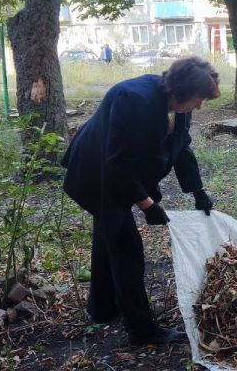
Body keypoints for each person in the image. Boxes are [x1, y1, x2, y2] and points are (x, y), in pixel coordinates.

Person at [62, 57, 219, 345]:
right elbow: (117, 165)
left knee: (107, 235)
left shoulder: (178, 106)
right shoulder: (135, 100)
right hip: (97, 171)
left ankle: (102, 308)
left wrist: (197, 191)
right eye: (199, 99)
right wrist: (147, 204)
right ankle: (142, 330)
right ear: (182, 92)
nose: (199, 106)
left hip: (115, 169)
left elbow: (181, 148)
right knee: (127, 251)